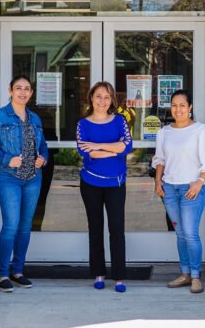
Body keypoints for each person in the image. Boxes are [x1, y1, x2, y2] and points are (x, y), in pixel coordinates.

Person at [0, 75, 48, 293]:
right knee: (11, 224)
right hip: (8, 177)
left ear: (31, 93)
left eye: (27, 89)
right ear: (10, 90)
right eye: (18, 88)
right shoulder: (0, 116)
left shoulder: (35, 118)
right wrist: (5, 158)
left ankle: (18, 271)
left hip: (32, 178)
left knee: (25, 226)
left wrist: (43, 158)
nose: (23, 92)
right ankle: (2, 274)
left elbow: (43, 146)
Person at [152, 89, 205, 294]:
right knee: (180, 234)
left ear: (190, 108)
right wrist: (157, 181)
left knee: (190, 234)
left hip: (191, 189)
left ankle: (196, 276)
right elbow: (160, 160)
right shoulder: (164, 132)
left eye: (182, 105)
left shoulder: (200, 131)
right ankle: (185, 273)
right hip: (170, 189)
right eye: (174, 105)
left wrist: (199, 182)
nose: (177, 109)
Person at [76, 81, 133, 292]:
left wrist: (99, 146)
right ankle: (99, 274)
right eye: (98, 96)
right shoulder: (83, 124)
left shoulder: (119, 121)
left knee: (117, 229)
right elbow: (87, 152)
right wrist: (113, 149)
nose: (102, 100)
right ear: (91, 97)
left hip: (116, 182)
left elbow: (127, 146)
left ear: (112, 101)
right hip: (90, 182)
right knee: (96, 228)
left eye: (107, 97)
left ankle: (119, 277)